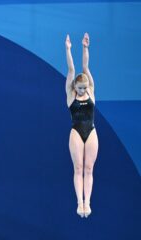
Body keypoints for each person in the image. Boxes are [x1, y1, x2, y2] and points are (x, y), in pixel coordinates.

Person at [65, 33, 98, 218]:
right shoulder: (71, 96)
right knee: (78, 168)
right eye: (80, 88)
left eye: (85, 88)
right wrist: (68, 50)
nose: (83, 90)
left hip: (91, 131)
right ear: (74, 88)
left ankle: (88, 203)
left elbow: (85, 66)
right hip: (76, 132)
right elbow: (72, 70)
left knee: (89, 169)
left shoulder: (91, 90)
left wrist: (85, 47)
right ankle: (80, 203)